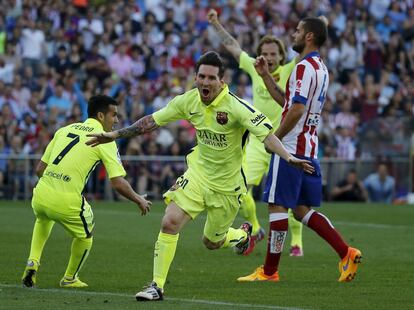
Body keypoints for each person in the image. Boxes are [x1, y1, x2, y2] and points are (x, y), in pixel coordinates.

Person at [86, 51, 314, 301]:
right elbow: (152, 121)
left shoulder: (238, 108)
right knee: (169, 222)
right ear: (195, 77)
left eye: (211, 78)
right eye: (201, 77)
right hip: (197, 175)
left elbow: (268, 138)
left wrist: (289, 157)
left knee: (211, 242)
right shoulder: (188, 101)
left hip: (228, 186)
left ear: (222, 81)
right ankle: (156, 286)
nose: (205, 82)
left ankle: (241, 235)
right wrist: (115, 135)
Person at [237, 17, 362, 283]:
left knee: (277, 206)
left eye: (297, 31)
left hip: (292, 150)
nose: (293, 34)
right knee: (301, 209)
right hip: (309, 148)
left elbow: (296, 110)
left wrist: (274, 139)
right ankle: (346, 252)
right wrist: (266, 77)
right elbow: (288, 102)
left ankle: (269, 272)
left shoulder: (303, 67)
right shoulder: (322, 68)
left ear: (309, 36)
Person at [21, 95, 151, 289]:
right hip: (66, 200)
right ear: (100, 115)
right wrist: (138, 199)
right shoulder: (104, 140)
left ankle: (32, 263)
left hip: (40, 194)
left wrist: (54, 184)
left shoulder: (65, 129)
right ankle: (70, 278)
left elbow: (39, 169)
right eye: (113, 115)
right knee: (86, 235)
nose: (116, 121)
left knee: (43, 219)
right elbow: (117, 182)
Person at [207, 9, 304, 256]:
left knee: (288, 196)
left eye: (274, 54)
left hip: (285, 140)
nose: (269, 58)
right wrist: (217, 24)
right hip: (258, 142)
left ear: (283, 55)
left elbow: (309, 49)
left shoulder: (293, 67)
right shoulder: (254, 67)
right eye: (266, 53)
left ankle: (296, 243)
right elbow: (232, 46)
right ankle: (257, 229)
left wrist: (319, 25)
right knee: (240, 188)